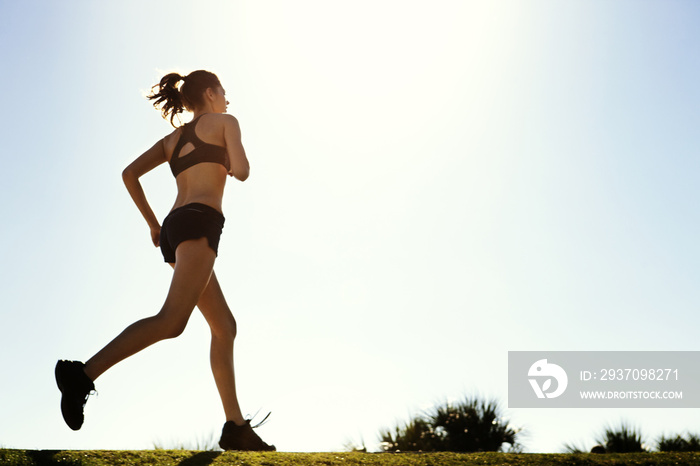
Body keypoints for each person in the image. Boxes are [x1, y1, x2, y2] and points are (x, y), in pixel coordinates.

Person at [55, 70, 275, 452]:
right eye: (224, 92)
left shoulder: (172, 139)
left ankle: (235, 426)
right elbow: (241, 172)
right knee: (172, 322)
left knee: (224, 327)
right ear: (210, 93)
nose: (227, 99)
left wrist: (154, 225)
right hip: (200, 223)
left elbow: (129, 174)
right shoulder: (225, 123)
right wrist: (228, 156)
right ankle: (81, 374)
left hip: (175, 227)